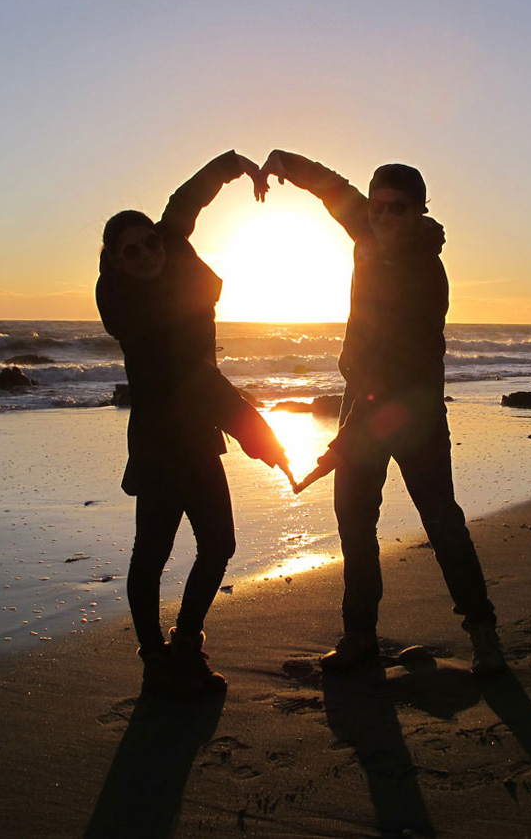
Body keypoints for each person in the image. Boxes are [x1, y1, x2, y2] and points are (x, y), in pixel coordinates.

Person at [260, 150, 506, 674]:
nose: (385, 218)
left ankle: (482, 629)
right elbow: (332, 187)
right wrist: (280, 162)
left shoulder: (426, 275)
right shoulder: (367, 232)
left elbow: (396, 374)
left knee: (442, 522)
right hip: (361, 402)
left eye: (398, 209)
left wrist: (345, 440)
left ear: (420, 211)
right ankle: (359, 636)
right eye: (378, 209)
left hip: (411, 412)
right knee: (354, 522)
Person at [96, 150, 291, 696]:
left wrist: (236, 166)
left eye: (151, 241)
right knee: (151, 557)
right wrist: (260, 437)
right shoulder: (138, 313)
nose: (146, 253)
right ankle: (157, 658)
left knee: (218, 545)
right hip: (162, 449)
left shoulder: (171, 252)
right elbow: (202, 382)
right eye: (130, 251)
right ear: (116, 261)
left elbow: (183, 204)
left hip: (197, 440)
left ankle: (184, 644)